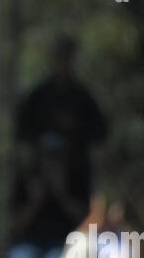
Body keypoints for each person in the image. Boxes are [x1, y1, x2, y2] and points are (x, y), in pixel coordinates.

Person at [15, 34, 107, 208]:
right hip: (40, 172)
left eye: (66, 57)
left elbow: (99, 133)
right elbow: (23, 131)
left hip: (75, 174)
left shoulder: (83, 97)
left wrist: (75, 132)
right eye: (59, 56)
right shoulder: (37, 97)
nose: (63, 62)